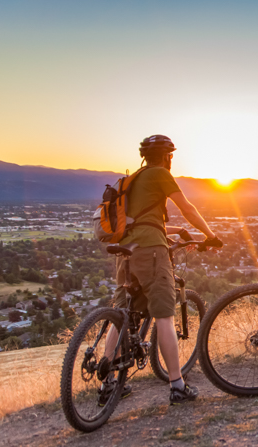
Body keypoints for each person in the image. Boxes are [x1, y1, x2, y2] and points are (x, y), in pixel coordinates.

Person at [101, 135, 222, 406]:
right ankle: (177, 385)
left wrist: (175, 230)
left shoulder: (132, 180)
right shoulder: (160, 174)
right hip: (151, 251)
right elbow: (187, 208)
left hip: (126, 251)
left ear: (144, 155)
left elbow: (139, 222)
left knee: (120, 315)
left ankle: (107, 382)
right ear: (168, 157)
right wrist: (210, 235)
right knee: (165, 316)